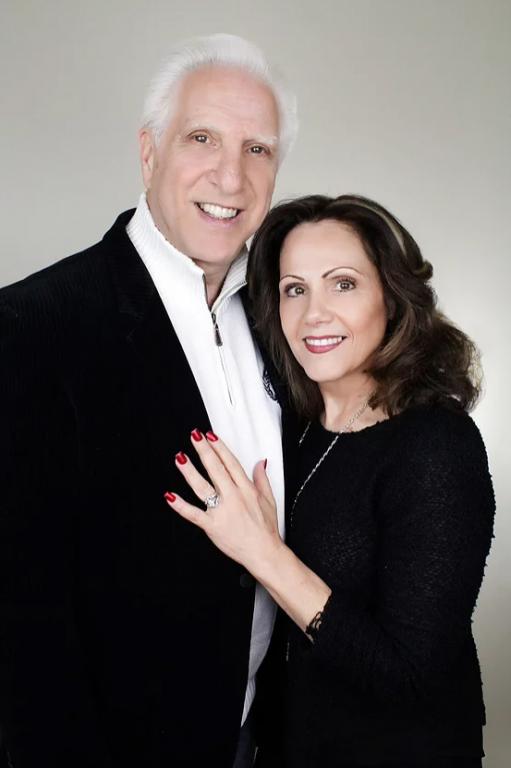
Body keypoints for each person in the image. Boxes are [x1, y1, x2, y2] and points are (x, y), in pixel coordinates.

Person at [0, 34, 298, 768]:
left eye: (257, 149)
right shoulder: (33, 326)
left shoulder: (286, 319)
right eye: (202, 138)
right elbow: (19, 623)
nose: (230, 174)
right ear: (149, 152)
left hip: (264, 737)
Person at [165, 194, 495, 767]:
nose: (314, 314)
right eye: (295, 289)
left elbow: (408, 676)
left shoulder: (437, 445)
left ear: (392, 297)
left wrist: (263, 552)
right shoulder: (290, 426)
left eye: (343, 284)